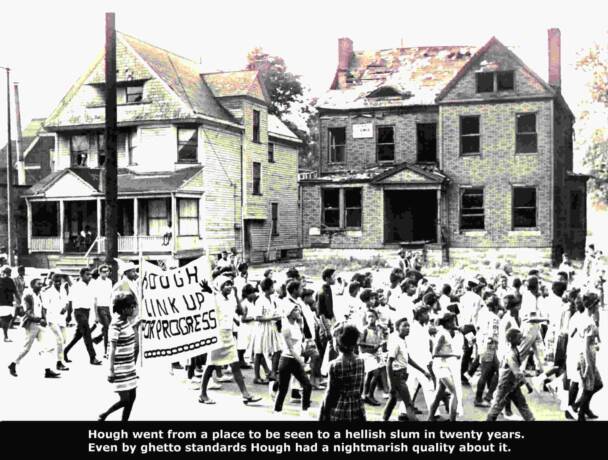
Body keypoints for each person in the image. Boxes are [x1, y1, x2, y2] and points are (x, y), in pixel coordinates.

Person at [199, 276, 261, 405]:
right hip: (217, 335)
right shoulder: (215, 297)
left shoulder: (232, 299)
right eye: (226, 284)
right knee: (211, 365)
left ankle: (245, 394)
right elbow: (206, 299)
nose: (229, 286)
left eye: (230, 284)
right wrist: (208, 290)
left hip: (228, 335)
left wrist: (237, 295)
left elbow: (241, 311)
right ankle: (202, 394)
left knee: (235, 364)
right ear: (220, 286)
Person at [8, 278, 60, 378]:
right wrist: (39, 319)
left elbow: (43, 309)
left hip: (40, 324)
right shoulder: (28, 296)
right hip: (31, 324)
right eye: (38, 284)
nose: (40, 285)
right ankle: (13, 364)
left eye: (41, 284)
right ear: (32, 285)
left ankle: (47, 370)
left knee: (48, 347)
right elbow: (27, 312)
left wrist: (44, 319)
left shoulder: (40, 295)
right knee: (26, 348)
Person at [98, 293, 138, 421]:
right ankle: (104, 414)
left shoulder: (125, 321)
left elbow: (127, 333)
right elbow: (112, 348)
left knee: (132, 397)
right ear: (123, 308)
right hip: (120, 367)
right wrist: (111, 370)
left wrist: (138, 323)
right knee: (125, 400)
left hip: (129, 366)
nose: (133, 309)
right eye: (131, 307)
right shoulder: (115, 325)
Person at [383, 318, 431, 421]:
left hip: (402, 374)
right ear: (397, 328)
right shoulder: (396, 342)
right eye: (404, 326)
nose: (407, 328)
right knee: (408, 402)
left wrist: (423, 371)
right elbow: (389, 363)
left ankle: (384, 419)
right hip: (397, 376)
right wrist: (391, 384)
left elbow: (408, 359)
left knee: (392, 400)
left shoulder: (403, 341)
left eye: (408, 326)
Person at [319, 325, 366, 421]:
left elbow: (330, 392)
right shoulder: (361, 361)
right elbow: (361, 388)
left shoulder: (334, 365)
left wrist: (324, 413)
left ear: (339, 343)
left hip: (340, 407)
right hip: (357, 406)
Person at [486, 328, 535, 421]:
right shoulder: (511, 354)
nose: (521, 340)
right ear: (512, 339)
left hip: (512, 383)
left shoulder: (515, 350)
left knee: (522, 404)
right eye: (519, 338)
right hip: (506, 384)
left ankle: (531, 419)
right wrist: (527, 384)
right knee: (497, 406)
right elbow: (517, 372)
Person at [273, 298, 312, 414]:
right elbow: (290, 348)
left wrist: (304, 352)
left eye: (299, 310)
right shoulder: (286, 328)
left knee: (307, 385)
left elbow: (300, 342)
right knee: (283, 389)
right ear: (289, 313)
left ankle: (304, 411)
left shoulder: (298, 325)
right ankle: (277, 412)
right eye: (295, 310)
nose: (298, 312)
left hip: (296, 360)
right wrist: (302, 361)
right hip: (287, 360)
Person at [63, 267, 102, 365]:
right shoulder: (75, 287)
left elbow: (94, 301)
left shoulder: (91, 286)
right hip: (79, 312)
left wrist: (96, 315)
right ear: (81, 275)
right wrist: (69, 316)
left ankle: (64, 352)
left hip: (87, 312)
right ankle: (93, 357)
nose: (89, 276)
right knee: (87, 334)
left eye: (90, 274)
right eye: (87, 274)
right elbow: (70, 302)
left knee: (77, 336)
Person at [428, 312, 461, 421]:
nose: (454, 323)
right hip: (440, 367)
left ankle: (430, 418)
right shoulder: (442, 334)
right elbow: (434, 354)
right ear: (446, 323)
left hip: (445, 366)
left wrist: (458, 328)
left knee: (438, 395)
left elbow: (457, 327)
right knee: (455, 393)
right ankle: (452, 420)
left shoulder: (446, 332)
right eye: (452, 321)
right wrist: (453, 355)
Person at [250, 277, 282, 383]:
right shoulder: (260, 300)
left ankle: (273, 373)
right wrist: (272, 318)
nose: (274, 288)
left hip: (272, 327)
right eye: (272, 287)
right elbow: (257, 317)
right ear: (268, 288)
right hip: (262, 328)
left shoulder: (273, 299)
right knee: (258, 352)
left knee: (277, 349)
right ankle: (257, 376)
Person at [42, 273, 71, 372]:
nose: (58, 283)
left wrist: (65, 309)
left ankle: (50, 354)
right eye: (56, 282)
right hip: (52, 318)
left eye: (59, 281)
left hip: (62, 318)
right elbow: (44, 307)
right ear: (52, 282)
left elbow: (67, 302)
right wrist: (45, 320)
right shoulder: (48, 292)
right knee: (59, 339)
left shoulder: (63, 290)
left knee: (63, 340)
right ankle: (59, 363)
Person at [92, 265, 113, 358]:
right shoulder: (96, 283)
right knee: (107, 328)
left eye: (107, 271)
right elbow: (95, 300)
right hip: (100, 308)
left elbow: (110, 296)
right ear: (99, 272)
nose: (105, 273)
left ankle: (98, 338)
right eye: (103, 271)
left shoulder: (109, 282)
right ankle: (106, 351)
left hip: (109, 307)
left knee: (109, 328)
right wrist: (96, 315)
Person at [0, 266, 18, 342]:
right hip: (2, 303)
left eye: (9, 273)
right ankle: (5, 336)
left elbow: (15, 291)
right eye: (6, 272)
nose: (7, 274)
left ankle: (5, 336)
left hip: (8, 303)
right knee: (5, 319)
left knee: (7, 319)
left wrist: (19, 301)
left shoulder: (10, 280)